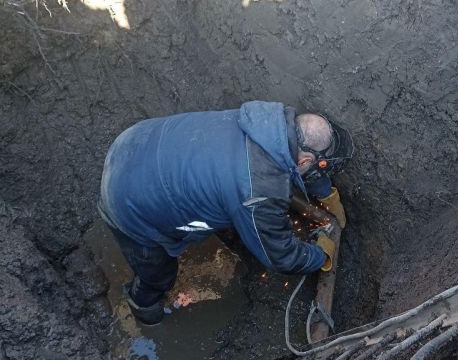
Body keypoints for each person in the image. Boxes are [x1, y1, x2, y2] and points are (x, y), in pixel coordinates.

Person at [98, 100, 353, 324]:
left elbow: (300, 166)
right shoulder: (259, 189)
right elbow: (280, 257)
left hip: (134, 141)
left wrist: (325, 193)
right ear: (305, 161)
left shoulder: (265, 120)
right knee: (158, 273)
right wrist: (319, 256)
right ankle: (144, 309)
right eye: (318, 166)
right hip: (126, 200)